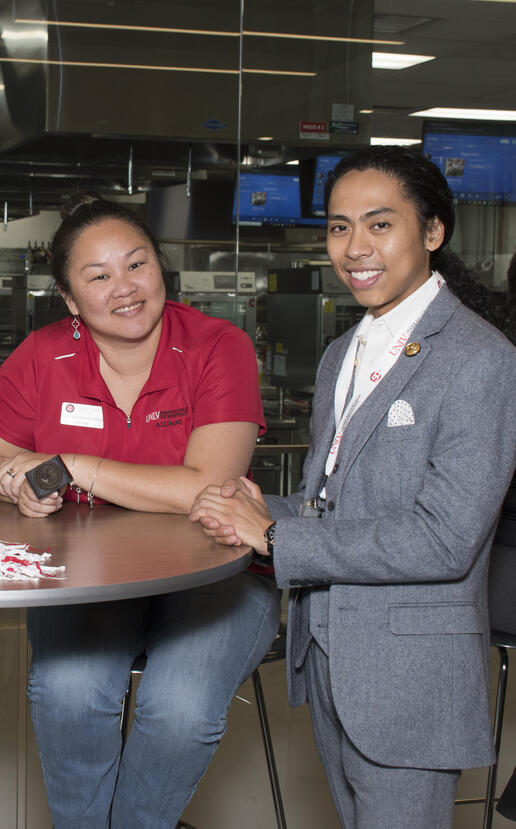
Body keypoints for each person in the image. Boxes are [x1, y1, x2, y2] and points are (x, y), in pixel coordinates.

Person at [190, 146, 516, 828]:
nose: (355, 247)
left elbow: (444, 539)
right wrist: (253, 505)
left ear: (433, 232)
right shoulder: (347, 350)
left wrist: (277, 535)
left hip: (410, 676)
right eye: (339, 226)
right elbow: (331, 502)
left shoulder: (482, 361)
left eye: (379, 224)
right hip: (334, 656)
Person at [0, 192, 280, 828]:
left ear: (161, 269)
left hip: (220, 573)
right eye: (98, 276)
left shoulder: (219, 346)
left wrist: (77, 466)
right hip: (92, 575)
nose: (124, 288)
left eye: (136, 265)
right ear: (71, 300)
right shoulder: (43, 356)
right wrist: (12, 477)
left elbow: (210, 489)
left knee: (179, 708)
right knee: (67, 693)